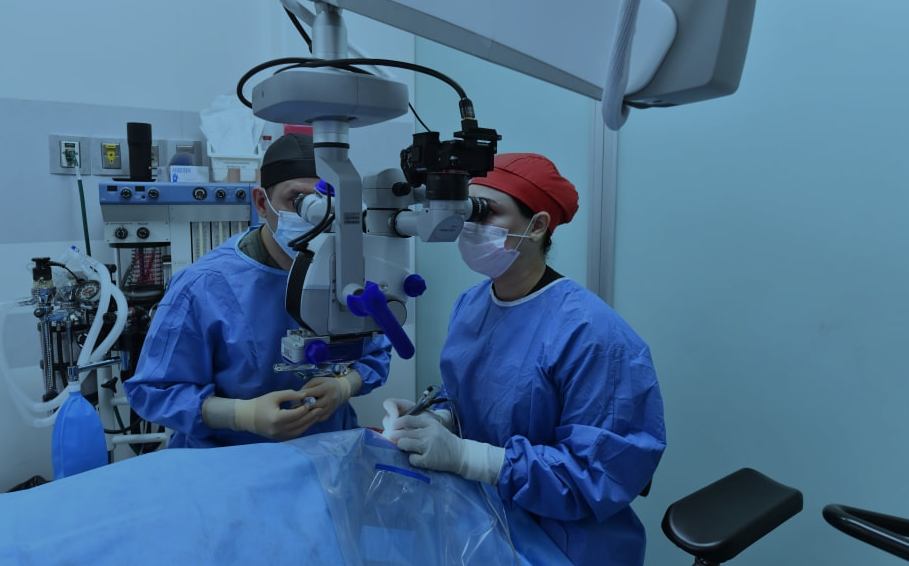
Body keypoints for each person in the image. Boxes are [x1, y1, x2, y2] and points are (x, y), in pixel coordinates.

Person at [383, 153, 666, 566]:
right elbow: (477, 400)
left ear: (537, 227)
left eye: (486, 211)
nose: (470, 224)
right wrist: (438, 418)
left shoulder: (593, 334)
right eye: (466, 210)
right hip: (481, 518)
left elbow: (598, 473)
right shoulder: (471, 304)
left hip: (564, 542)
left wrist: (466, 456)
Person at [125, 133, 392, 448]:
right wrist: (242, 416)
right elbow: (154, 390)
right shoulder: (203, 286)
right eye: (299, 200)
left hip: (327, 453)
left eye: (328, 203)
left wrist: (344, 386)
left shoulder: (349, 274)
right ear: (262, 203)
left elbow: (377, 351)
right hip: (231, 460)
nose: (317, 218)